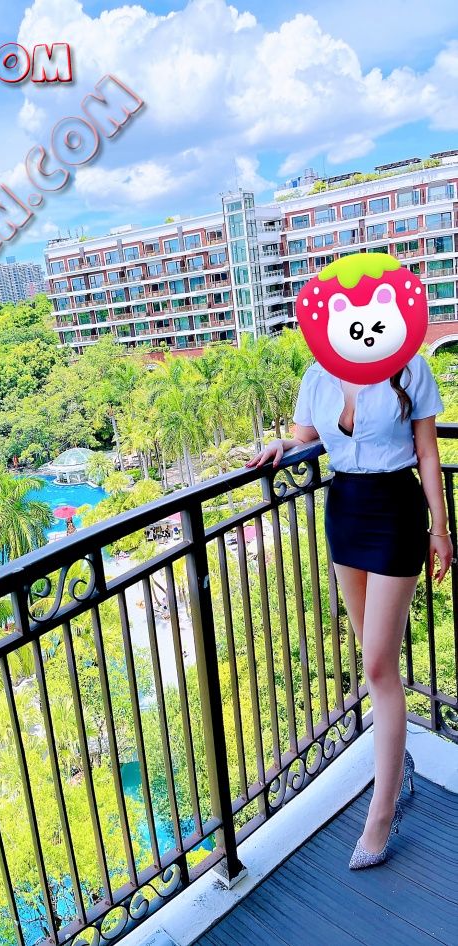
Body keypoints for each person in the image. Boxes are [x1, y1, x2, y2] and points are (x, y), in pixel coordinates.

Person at [246, 351, 453, 870]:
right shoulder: (317, 376)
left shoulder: (410, 369)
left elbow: (427, 453)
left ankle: (382, 812)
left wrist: (440, 527)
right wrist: (283, 445)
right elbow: (305, 438)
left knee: (379, 666)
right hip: (344, 513)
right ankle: (398, 763)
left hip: (395, 513)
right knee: (373, 663)